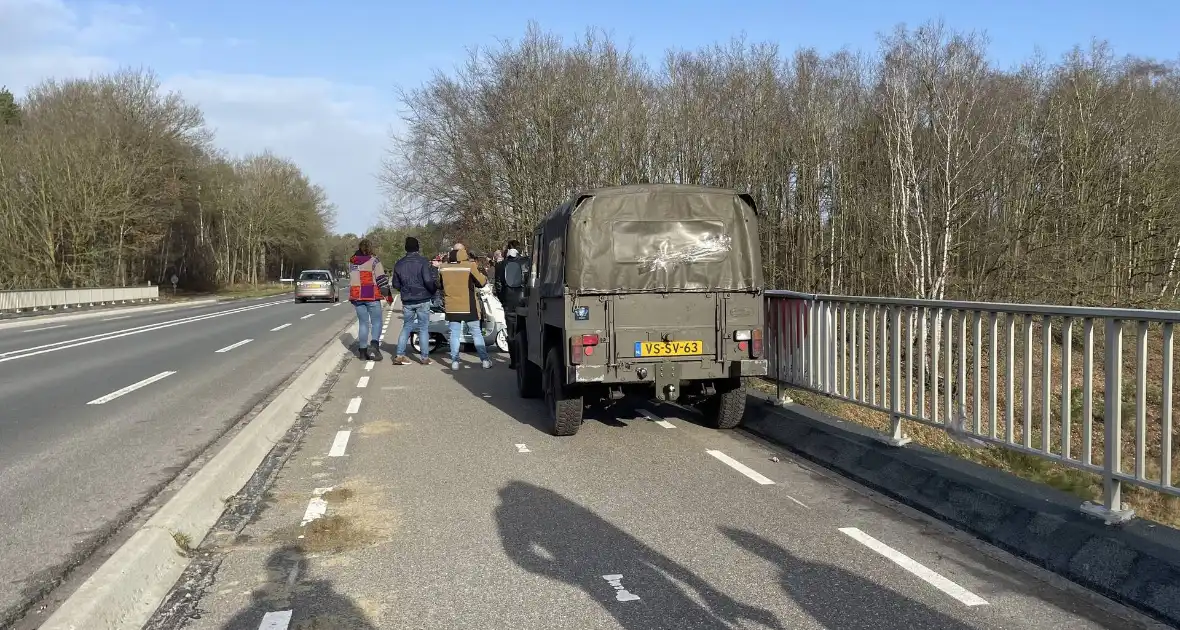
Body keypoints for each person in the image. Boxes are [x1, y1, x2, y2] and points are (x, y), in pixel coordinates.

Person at [438, 248, 492, 370]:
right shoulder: (470, 266)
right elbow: (481, 282)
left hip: (452, 307)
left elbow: (440, 285)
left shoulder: (443, 267)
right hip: (468, 306)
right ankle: (484, 360)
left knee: (454, 334)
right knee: (476, 334)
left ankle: (455, 362)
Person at [390, 236, 438, 366]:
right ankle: (424, 357)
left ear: (406, 248)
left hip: (408, 300)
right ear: (417, 248)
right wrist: (433, 290)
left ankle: (399, 355)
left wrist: (404, 289)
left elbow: (395, 284)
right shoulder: (423, 262)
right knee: (423, 328)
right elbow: (428, 280)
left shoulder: (399, 263)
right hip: (423, 298)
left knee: (407, 327)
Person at [348, 238, 391, 361]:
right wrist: (388, 296)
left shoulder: (352, 261)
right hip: (371, 294)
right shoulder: (374, 261)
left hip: (357, 295)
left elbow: (353, 277)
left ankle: (362, 352)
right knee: (376, 321)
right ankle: (374, 345)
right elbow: (381, 279)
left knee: (363, 323)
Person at [495, 240, 527, 369]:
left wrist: (503, 300)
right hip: (525, 300)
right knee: (525, 330)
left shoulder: (501, 265)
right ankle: (525, 360)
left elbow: (498, 286)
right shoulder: (526, 262)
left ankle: (514, 361)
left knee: (512, 332)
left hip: (509, 301)